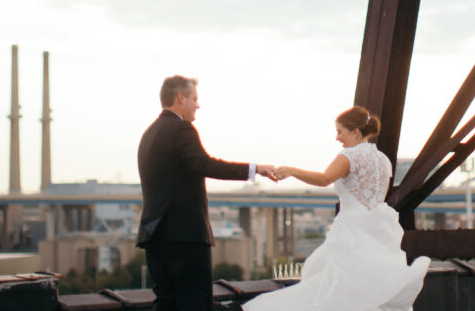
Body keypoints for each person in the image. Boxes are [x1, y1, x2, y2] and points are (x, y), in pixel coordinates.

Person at [243, 106, 430, 311]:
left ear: (355, 132)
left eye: (340, 131)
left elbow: (324, 179)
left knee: (337, 286)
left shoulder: (348, 156)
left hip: (352, 229)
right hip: (378, 228)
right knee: (367, 284)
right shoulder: (383, 160)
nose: (337, 137)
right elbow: (380, 197)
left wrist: (291, 171)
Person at [137, 75, 276, 311]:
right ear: (180, 98)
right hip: (184, 236)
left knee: (166, 303)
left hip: (155, 236)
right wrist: (254, 169)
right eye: (194, 99)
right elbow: (205, 164)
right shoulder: (182, 128)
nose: (197, 105)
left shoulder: (149, 134)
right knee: (195, 302)